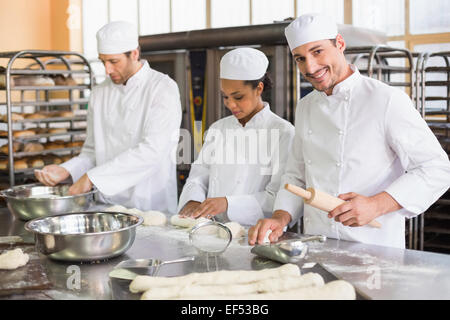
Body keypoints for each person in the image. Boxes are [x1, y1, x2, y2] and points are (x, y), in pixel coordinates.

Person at [248, 13, 450, 248]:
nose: (310, 67)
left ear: (340, 44)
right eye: (300, 58)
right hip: (318, 245)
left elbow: (436, 168)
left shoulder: (386, 100)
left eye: (317, 51)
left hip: (376, 250)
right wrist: (280, 218)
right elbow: (295, 176)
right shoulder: (306, 106)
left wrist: (377, 204)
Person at [34, 21, 182, 213]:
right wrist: (66, 170)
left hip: (149, 204)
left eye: (114, 61)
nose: (107, 70)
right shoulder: (99, 93)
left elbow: (152, 151)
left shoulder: (162, 88)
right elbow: (91, 151)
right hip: (106, 204)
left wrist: (92, 178)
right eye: (103, 61)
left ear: (134, 53)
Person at [178, 48, 295, 226]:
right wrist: (193, 201)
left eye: (238, 97)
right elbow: (198, 176)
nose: (230, 104)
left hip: (253, 233)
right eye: (225, 97)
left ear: (259, 88)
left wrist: (228, 203)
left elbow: (279, 197)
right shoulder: (218, 128)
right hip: (209, 231)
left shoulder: (283, 132)